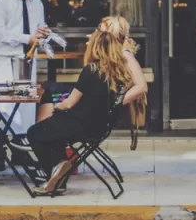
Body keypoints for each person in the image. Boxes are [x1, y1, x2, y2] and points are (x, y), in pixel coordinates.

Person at [26, 28, 131, 196]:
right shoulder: (119, 73)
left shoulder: (91, 70)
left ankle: (56, 170)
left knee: (35, 132)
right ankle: (58, 178)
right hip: (99, 126)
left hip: (81, 125)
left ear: (95, 48)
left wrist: (55, 107)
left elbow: (69, 103)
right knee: (53, 132)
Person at [0, 0, 50, 134]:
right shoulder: (2, 0)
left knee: (27, 106)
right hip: (6, 59)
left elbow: (40, 30)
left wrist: (44, 34)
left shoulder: (37, 3)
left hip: (28, 60)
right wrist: (27, 38)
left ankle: (21, 148)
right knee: (4, 105)